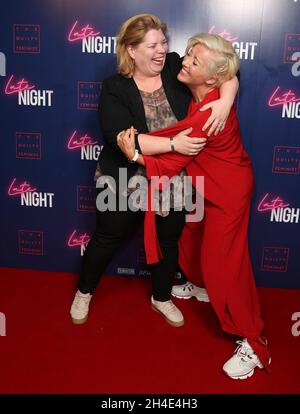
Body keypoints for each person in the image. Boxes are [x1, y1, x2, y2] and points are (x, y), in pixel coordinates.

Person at [117, 33, 271, 379]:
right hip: (209, 187)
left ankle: (253, 341)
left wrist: (136, 154)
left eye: (194, 61)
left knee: (224, 267)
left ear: (211, 78)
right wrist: (228, 96)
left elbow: (173, 156)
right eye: (188, 54)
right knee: (189, 238)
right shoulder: (206, 90)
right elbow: (230, 73)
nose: (184, 61)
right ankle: (201, 286)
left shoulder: (207, 112)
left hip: (227, 193)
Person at [70, 14, 238, 328]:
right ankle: (84, 292)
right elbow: (124, 142)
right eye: (153, 45)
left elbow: (225, 70)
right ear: (131, 50)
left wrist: (226, 100)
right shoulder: (114, 87)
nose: (162, 49)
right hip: (124, 175)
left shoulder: (176, 66)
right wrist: (175, 144)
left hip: (172, 176)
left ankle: (161, 297)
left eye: (163, 41)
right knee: (107, 237)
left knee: (168, 240)